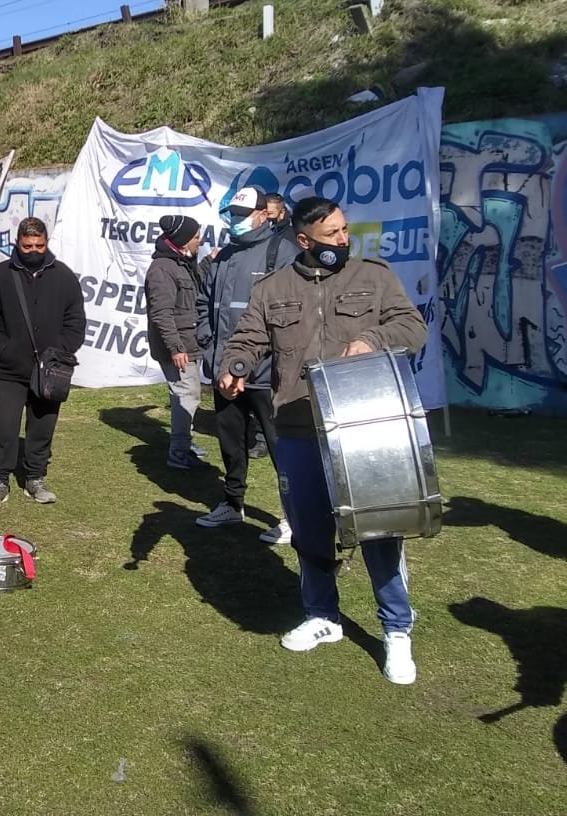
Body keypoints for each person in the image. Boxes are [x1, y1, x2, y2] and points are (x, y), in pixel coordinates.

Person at [219, 196, 428, 685]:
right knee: (309, 530)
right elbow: (248, 338)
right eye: (331, 234)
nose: (342, 239)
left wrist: (372, 340)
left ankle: (396, 629)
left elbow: (412, 326)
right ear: (303, 240)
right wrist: (235, 366)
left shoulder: (373, 276)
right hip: (297, 426)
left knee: (378, 529)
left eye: (344, 230)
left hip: (362, 426)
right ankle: (322, 616)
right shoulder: (273, 288)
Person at [195, 188, 299, 538]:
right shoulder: (224, 254)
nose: (236, 221)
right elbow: (204, 302)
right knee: (231, 442)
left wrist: (255, 361)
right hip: (224, 373)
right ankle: (232, 503)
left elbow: (289, 315)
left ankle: (295, 516)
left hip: (266, 376)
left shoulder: (282, 253)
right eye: (233, 215)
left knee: (281, 447)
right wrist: (209, 344)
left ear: (263, 214)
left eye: (243, 214)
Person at [0, 217, 86, 509]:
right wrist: (5, 350)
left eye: (39, 245)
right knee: (4, 428)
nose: (34, 250)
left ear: (46, 243)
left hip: (51, 371)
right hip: (9, 371)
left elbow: (76, 321)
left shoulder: (64, 277)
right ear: (18, 243)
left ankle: (35, 477)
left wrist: (60, 351)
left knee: (42, 428)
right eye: (28, 246)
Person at [145, 214, 211, 471]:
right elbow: (161, 313)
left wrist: (208, 262)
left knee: (188, 394)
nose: (199, 241)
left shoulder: (181, 262)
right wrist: (176, 347)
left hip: (186, 342)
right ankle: (179, 453)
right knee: (186, 396)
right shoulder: (162, 269)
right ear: (183, 240)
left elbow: (192, 288)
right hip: (179, 347)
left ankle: (185, 445)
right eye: (196, 237)